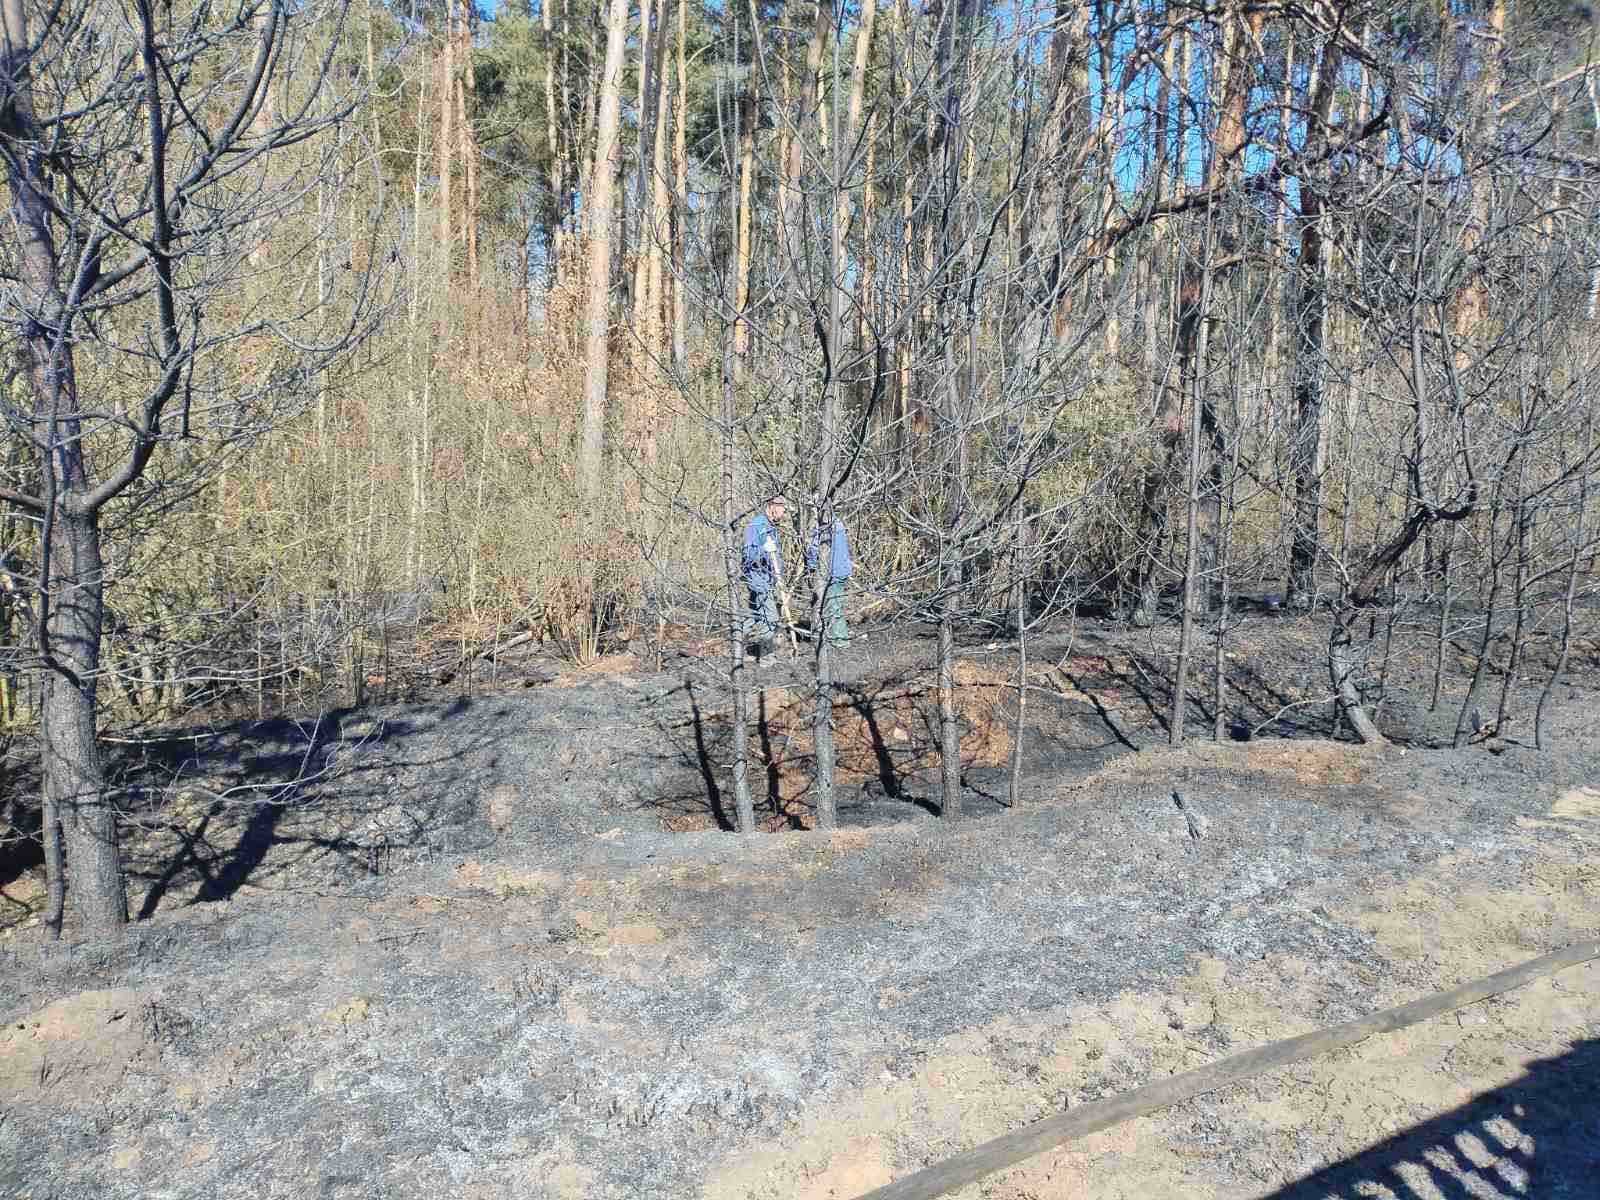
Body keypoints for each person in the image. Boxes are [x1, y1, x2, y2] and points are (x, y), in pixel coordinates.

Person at [741, 495, 789, 657]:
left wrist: (778, 576)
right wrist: (763, 551)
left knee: (752, 615)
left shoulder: (770, 526)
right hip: (758, 579)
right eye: (782, 509)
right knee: (770, 617)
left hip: (767, 579)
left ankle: (739, 651)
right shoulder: (756, 526)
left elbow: (775, 557)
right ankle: (766, 657)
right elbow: (748, 555)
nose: (784, 513)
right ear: (772, 506)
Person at [805, 513, 853, 648]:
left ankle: (840, 640)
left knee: (833, 605)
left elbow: (815, 550)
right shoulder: (837, 522)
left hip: (833, 571)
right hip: (842, 569)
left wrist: (811, 565)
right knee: (835, 604)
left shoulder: (823, 527)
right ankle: (835, 636)